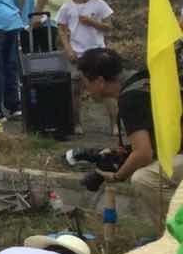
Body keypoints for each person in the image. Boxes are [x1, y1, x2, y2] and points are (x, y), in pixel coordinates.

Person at [76, 47, 181, 218]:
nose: (86, 90)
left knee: (144, 178)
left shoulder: (130, 98)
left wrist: (117, 175)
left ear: (100, 81)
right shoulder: (142, 78)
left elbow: (143, 154)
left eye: (86, 84)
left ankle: (175, 236)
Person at [56, 0, 113, 131]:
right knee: (75, 90)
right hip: (76, 54)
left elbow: (109, 27)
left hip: (98, 53)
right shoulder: (67, 7)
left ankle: (114, 124)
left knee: (106, 90)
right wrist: (68, 49)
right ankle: (77, 123)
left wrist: (92, 22)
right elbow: (61, 29)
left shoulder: (100, 4)